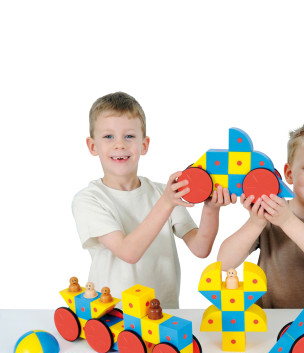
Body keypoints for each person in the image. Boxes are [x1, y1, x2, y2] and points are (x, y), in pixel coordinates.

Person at [72, 92, 236, 307]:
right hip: (113, 313)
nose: (119, 144)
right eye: (108, 136)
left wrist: (211, 209)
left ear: (144, 145)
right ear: (93, 146)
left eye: (129, 136)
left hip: (163, 311)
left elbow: (200, 248)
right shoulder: (89, 199)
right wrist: (167, 202)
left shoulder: (162, 193)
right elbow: (128, 252)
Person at [217, 121, 304, 308]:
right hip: (269, 318)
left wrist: (287, 221)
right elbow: (224, 263)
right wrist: (255, 223)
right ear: (289, 174)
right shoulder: (270, 213)